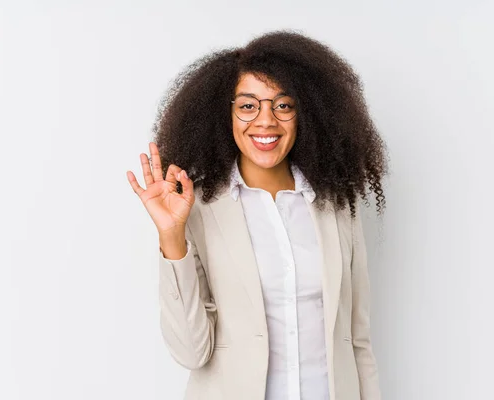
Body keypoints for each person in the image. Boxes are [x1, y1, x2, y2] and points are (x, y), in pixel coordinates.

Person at [126, 30, 388, 400]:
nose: (266, 121)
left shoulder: (337, 206)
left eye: (283, 105)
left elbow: (358, 342)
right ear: (225, 113)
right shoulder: (196, 208)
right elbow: (190, 351)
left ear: (305, 114)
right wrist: (172, 236)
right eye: (248, 106)